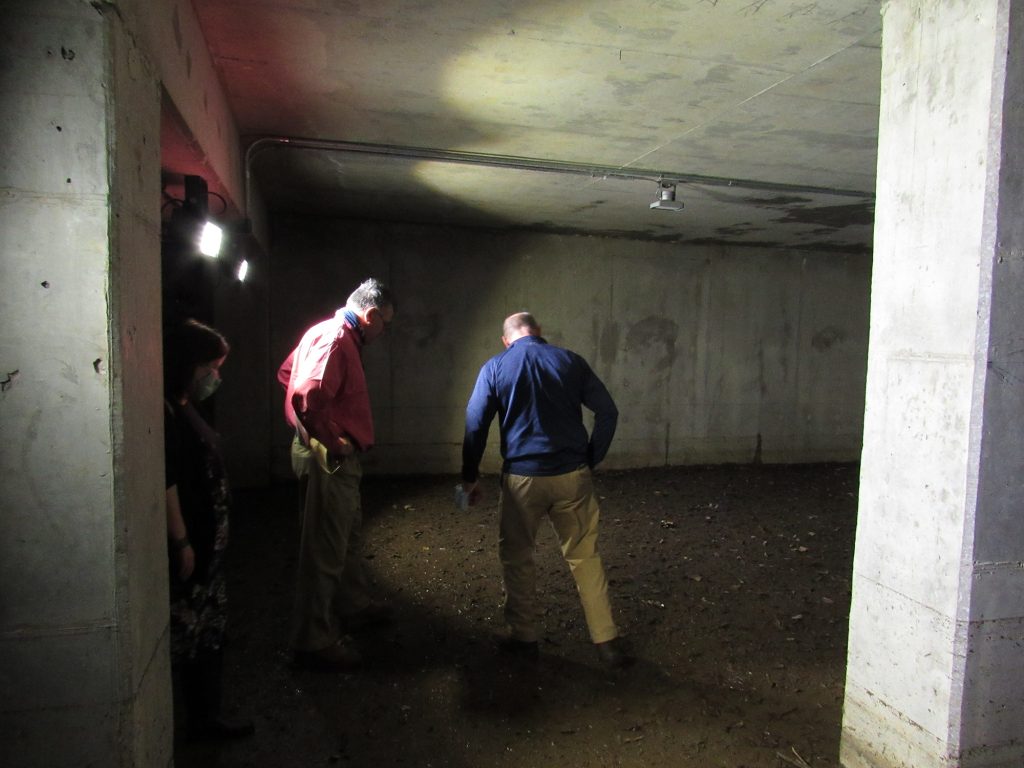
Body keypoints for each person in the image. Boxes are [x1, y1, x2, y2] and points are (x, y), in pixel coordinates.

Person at [461, 312, 631, 669]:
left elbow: (476, 423)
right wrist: (590, 458)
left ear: (506, 340)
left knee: (517, 555)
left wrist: (469, 475)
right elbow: (608, 412)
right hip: (573, 475)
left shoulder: (495, 366)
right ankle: (606, 641)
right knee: (585, 555)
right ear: (539, 332)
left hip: (522, 479)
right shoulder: (570, 361)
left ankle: (524, 638)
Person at [278, 278, 396, 670]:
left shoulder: (323, 333)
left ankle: (353, 605)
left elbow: (286, 374)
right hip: (329, 455)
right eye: (385, 323)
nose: (384, 332)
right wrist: (331, 438)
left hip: (326, 452)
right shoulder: (336, 341)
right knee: (325, 549)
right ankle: (313, 639)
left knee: (344, 537)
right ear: (371, 315)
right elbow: (307, 396)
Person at [164, 318, 254, 740]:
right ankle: (195, 721)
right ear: (187, 364)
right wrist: (181, 540)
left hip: (208, 546)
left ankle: (206, 717)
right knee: (192, 635)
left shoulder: (184, 405)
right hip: (193, 545)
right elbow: (170, 481)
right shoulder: (166, 414)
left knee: (209, 635)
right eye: (210, 368)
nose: (214, 378)